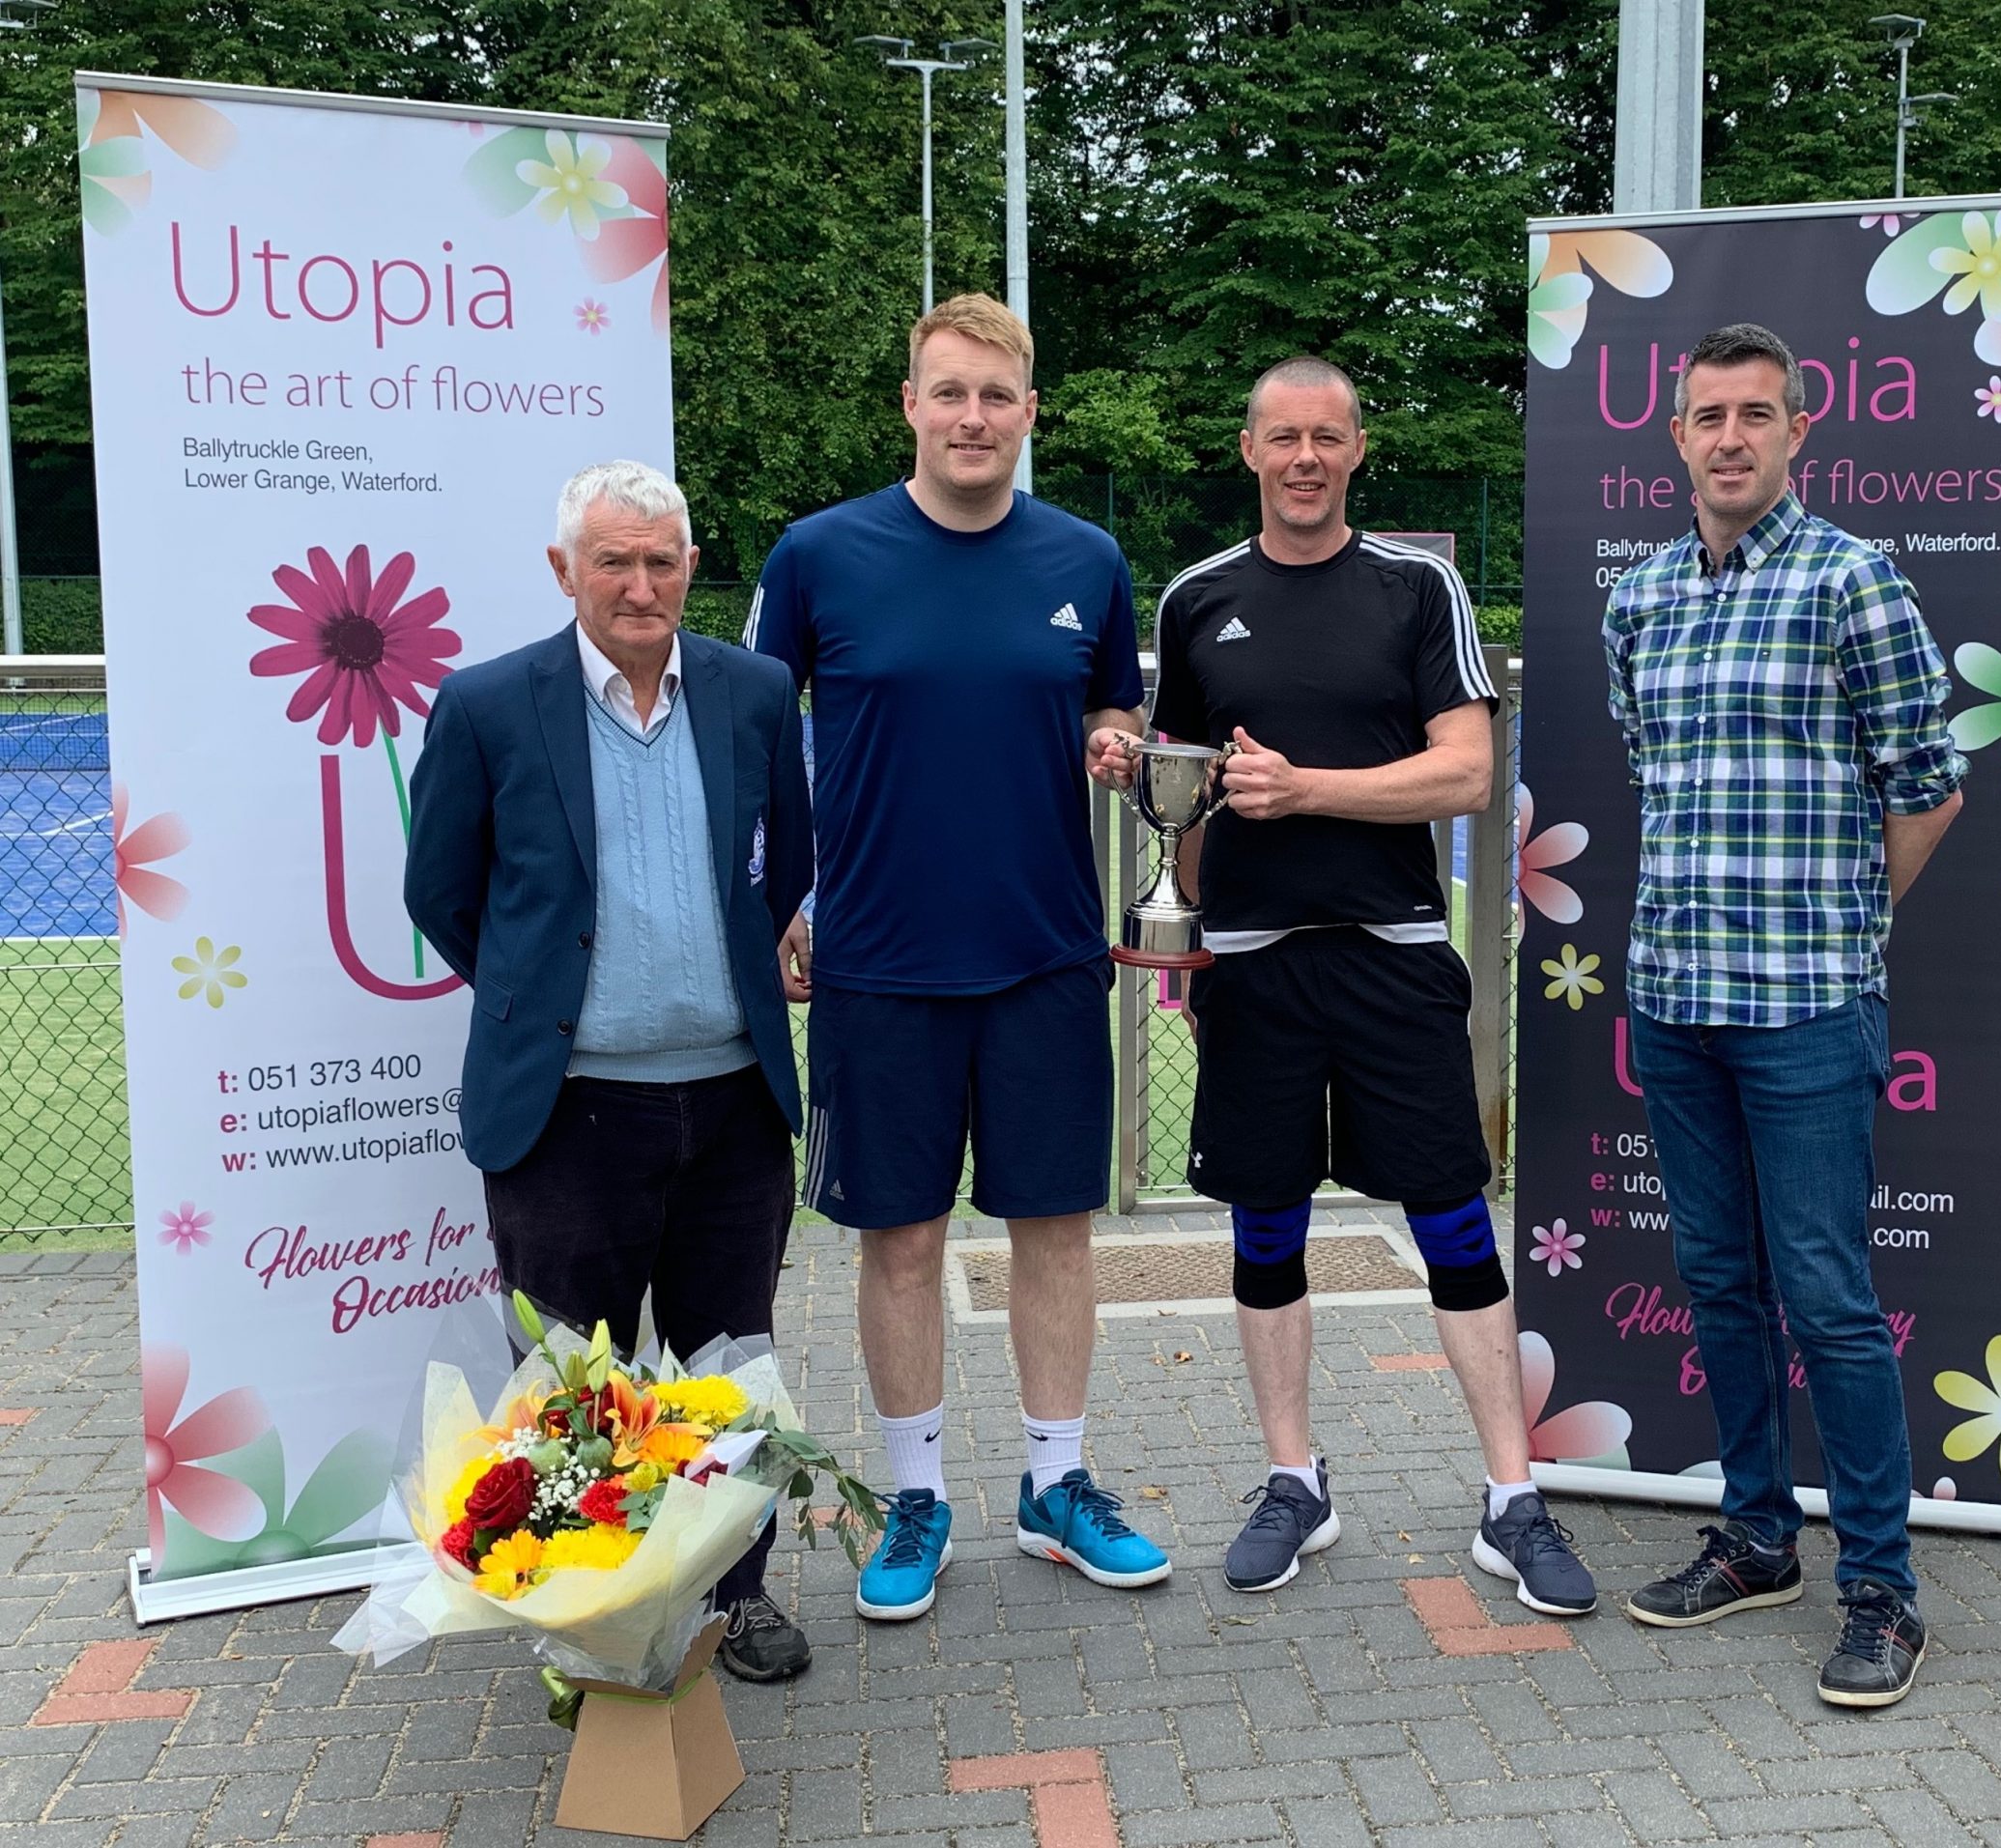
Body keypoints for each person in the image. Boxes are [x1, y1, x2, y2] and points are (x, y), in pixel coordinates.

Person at [1148, 355, 1596, 1616]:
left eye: (1327, 437)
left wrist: (1310, 791)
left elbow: (1466, 772)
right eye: (1283, 437)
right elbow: (1184, 788)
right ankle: (1294, 1481)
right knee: (1265, 1226)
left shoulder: (1416, 586)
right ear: (1249, 449)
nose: (1305, 458)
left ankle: (1512, 1497)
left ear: (1356, 450)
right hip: (1251, 966)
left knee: (1452, 1220)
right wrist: (1179, 919)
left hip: (1393, 953)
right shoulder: (1195, 598)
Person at [745, 293, 1169, 1622]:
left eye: (996, 395)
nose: (972, 417)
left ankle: (1056, 1481)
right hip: (879, 960)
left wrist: (1114, 737)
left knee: (1055, 1231)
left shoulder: (1087, 556)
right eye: (950, 392)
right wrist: (783, 898)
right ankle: (914, 1495)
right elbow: (757, 738)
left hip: (1046, 952)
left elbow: (1114, 702)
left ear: (1029, 411)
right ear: (911, 406)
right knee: (902, 1240)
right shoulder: (818, 555)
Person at [404, 460, 817, 1683]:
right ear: (564, 570)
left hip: (733, 1103)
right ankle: (585, 1614)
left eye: (661, 560)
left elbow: (785, 859)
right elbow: (441, 889)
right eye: (613, 561)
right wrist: (550, 1003)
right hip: (566, 1111)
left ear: (690, 567)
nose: (640, 585)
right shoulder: (487, 704)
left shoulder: (754, 690)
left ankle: (735, 1593)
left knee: (727, 1373)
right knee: (571, 1384)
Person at [1602, 323, 1966, 1709]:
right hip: (1675, 998)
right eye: (1709, 415)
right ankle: (1757, 1536)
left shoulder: (1852, 580)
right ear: (1677, 435)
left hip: (1808, 1003)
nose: (1731, 437)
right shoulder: (1640, 598)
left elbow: (1927, 783)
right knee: (1717, 1280)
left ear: (1799, 431)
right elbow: (1653, 773)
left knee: (1826, 1294)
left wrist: (1850, 924)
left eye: (1756, 414)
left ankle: (1882, 1588)